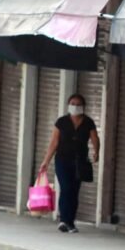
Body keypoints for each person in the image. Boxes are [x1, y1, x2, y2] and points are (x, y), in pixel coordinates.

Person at [39, 93, 100, 233]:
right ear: (68, 105)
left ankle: (70, 222)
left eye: (78, 104)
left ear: (83, 107)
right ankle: (63, 220)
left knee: (74, 191)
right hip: (62, 160)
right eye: (73, 103)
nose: (75, 106)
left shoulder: (88, 122)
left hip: (80, 162)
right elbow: (54, 142)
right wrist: (46, 161)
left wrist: (96, 152)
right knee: (66, 188)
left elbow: (95, 138)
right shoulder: (62, 122)